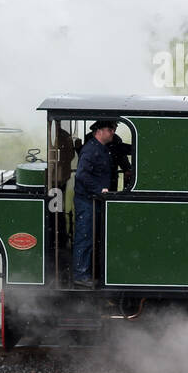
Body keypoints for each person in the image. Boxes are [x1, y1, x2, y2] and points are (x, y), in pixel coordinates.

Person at [72, 120, 115, 288]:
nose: (113, 132)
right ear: (99, 131)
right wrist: (100, 189)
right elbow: (81, 175)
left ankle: (88, 271)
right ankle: (81, 275)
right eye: (110, 129)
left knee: (92, 237)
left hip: (94, 200)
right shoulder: (91, 150)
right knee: (85, 237)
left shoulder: (102, 149)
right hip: (87, 200)